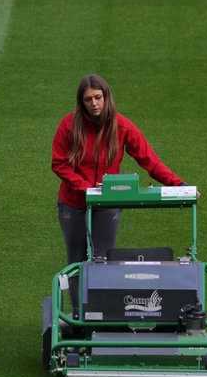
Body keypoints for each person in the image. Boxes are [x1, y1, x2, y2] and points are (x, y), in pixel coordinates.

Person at [51, 73, 191, 268]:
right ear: (81, 102)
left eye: (98, 97)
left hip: (108, 203)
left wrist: (179, 185)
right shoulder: (68, 125)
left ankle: (101, 300)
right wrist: (86, 189)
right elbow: (59, 163)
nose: (94, 103)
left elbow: (150, 161)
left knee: (103, 262)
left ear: (106, 97)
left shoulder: (123, 127)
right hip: (73, 205)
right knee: (76, 264)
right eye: (88, 99)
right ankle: (78, 301)